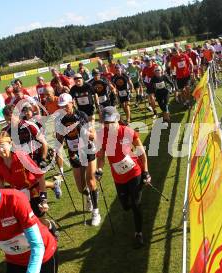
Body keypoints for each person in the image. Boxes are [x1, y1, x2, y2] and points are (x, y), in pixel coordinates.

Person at [0, 162, 58, 273]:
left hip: (43, 255)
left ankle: (49, 226)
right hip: (15, 261)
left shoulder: (15, 199)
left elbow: (37, 245)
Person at [95, 106, 151, 248]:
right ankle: (133, 205)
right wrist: (99, 169)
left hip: (134, 172)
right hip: (119, 177)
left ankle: (138, 233)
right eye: (106, 123)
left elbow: (141, 153)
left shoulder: (128, 132)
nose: (108, 125)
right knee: (126, 206)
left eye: (111, 122)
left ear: (117, 120)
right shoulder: (101, 135)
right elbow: (101, 157)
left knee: (136, 204)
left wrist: (146, 172)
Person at [55, 93, 101, 226]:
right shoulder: (59, 120)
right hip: (74, 154)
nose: (64, 108)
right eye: (61, 106)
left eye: (66, 105)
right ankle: (88, 197)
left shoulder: (82, 115)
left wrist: (84, 132)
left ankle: (96, 213)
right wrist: (56, 148)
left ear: (72, 103)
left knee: (91, 182)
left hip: (88, 150)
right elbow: (59, 138)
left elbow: (93, 137)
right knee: (81, 187)